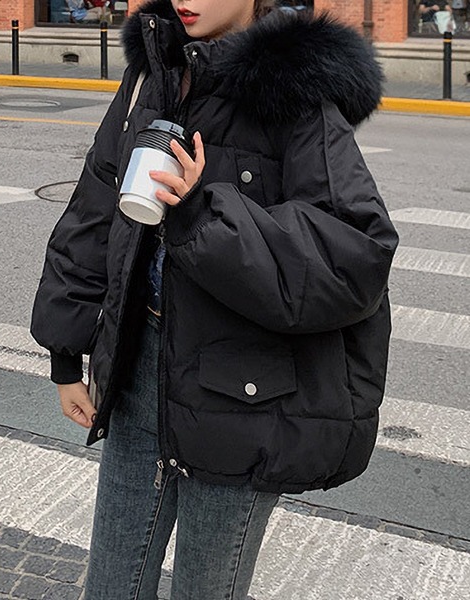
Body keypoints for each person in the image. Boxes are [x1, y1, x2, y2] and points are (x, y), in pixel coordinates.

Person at [31, 0, 398, 598]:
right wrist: (66, 352)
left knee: (205, 589)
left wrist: (202, 215)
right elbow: (95, 210)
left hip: (242, 395)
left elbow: (353, 258)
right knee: (111, 584)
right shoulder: (155, 69)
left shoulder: (293, 88)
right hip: (137, 370)